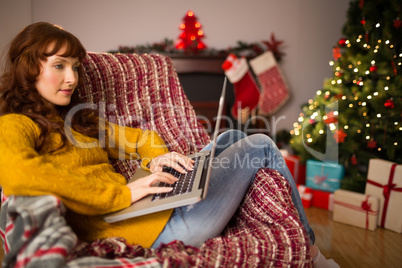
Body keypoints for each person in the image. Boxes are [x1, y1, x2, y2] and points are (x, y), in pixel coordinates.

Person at [0, 22, 338, 267]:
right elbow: (16, 174)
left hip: (151, 212)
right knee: (262, 144)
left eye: (74, 67)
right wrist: (123, 195)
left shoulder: (77, 122)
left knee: (231, 137)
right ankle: (311, 253)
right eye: (59, 66)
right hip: (151, 232)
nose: (72, 78)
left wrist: (158, 160)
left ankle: (186, 184)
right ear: (29, 69)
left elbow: (142, 138)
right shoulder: (15, 124)